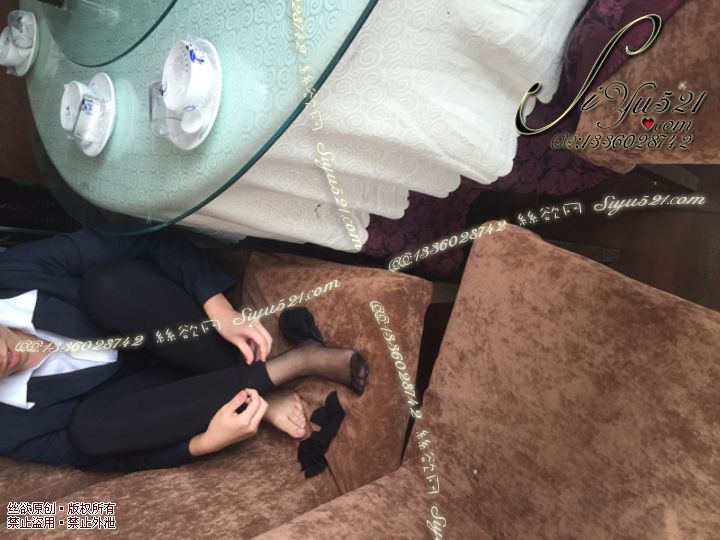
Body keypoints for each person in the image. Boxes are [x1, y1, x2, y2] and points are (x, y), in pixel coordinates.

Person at [0, 228, 368, 472]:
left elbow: (145, 240)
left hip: (181, 325)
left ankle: (264, 383)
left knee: (106, 284)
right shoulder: (10, 429)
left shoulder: (13, 272)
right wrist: (204, 443)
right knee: (87, 431)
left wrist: (218, 308)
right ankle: (295, 362)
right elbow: (111, 453)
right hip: (167, 397)